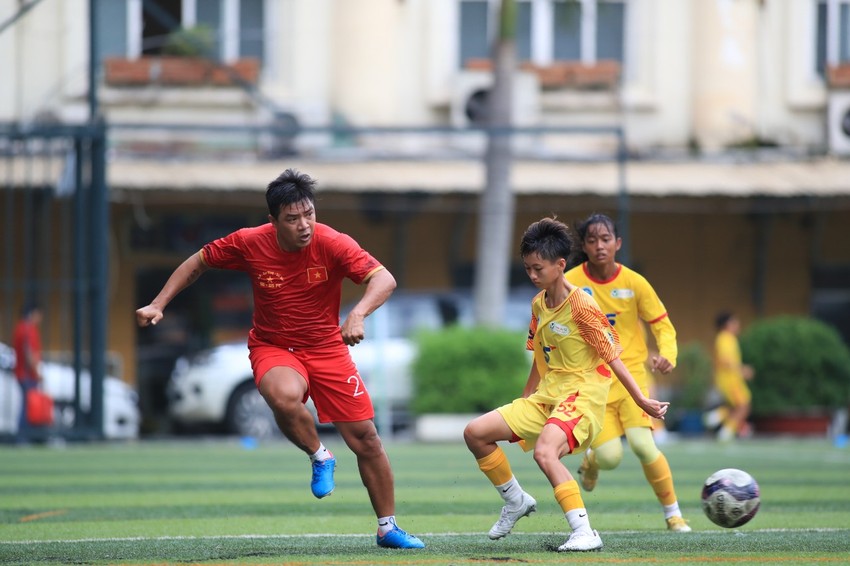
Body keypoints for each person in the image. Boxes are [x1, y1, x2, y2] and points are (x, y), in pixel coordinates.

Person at [136, 168, 424, 550]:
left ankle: (388, 528)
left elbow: (384, 279)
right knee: (284, 397)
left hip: (326, 348)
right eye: (292, 218)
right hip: (274, 346)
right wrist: (158, 304)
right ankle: (320, 456)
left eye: (309, 214)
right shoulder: (249, 242)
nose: (304, 225)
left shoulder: (333, 242)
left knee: (367, 439)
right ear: (273, 221)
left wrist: (358, 314)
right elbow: (198, 262)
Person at [463, 217, 669, 552]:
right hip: (549, 394)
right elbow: (539, 355)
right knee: (475, 433)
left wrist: (642, 400)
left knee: (545, 453)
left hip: (582, 395)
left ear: (560, 265)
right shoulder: (538, 303)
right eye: (528, 268)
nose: (532, 275)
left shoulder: (583, 306)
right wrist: (525, 398)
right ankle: (515, 501)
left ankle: (585, 532)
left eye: (538, 269)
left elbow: (613, 357)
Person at [564, 213, 692, 533]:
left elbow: (662, 324)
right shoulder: (571, 282)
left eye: (605, 239)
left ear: (617, 243)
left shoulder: (635, 283)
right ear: (584, 246)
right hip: (594, 382)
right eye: (592, 240)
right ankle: (592, 462)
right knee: (610, 458)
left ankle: (674, 515)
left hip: (632, 376)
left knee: (644, 445)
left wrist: (668, 355)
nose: (599, 246)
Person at [708, 311, 754, 441]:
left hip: (732, 379)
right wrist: (742, 370)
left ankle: (716, 416)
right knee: (744, 406)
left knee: (737, 406)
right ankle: (726, 431)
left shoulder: (729, 339)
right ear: (726, 324)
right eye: (734, 321)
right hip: (730, 380)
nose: (737, 324)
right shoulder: (725, 338)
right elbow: (725, 360)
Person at [13, 303, 43, 444]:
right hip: (27, 375)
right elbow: (29, 352)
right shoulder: (28, 329)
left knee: (27, 405)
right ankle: (23, 437)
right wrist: (36, 371)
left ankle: (25, 436)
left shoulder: (20, 328)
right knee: (27, 407)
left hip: (23, 374)